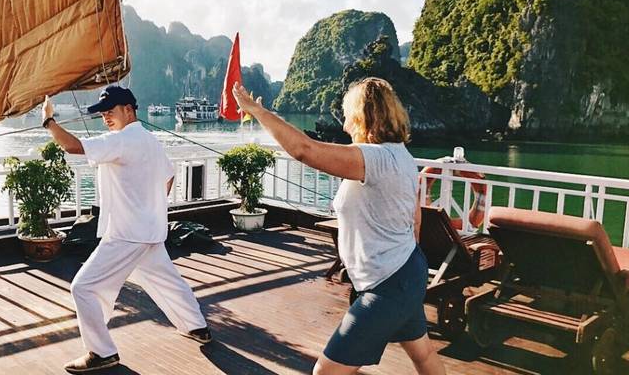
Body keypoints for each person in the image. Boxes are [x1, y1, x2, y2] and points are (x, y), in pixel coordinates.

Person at [232, 78, 446, 375]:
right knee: (422, 354)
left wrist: (257, 111)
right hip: (404, 271)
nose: (344, 122)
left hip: (387, 283)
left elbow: (304, 150)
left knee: (326, 372)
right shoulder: (401, 156)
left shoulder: (376, 158)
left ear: (362, 115)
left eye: (347, 113)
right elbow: (415, 219)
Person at [41, 86, 211, 374]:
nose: (106, 117)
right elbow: (168, 178)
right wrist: (150, 205)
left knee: (83, 287)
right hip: (151, 231)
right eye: (102, 113)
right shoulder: (150, 140)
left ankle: (101, 351)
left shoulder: (122, 140)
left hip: (126, 234)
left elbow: (72, 146)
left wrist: (49, 122)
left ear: (128, 110)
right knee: (167, 281)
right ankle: (197, 327)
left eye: (111, 111)